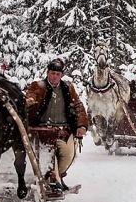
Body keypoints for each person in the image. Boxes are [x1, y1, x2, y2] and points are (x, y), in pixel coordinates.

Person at [24, 58, 89, 190]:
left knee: (68, 155)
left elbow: (78, 106)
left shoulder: (68, 88)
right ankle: (51, 179)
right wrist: (29, 102)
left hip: (63, 131)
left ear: (61, 76)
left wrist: (81, 125)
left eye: (58, 74)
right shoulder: (38, 86)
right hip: (41, 131)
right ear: (48, 73)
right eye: (52, 73)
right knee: (48, 157)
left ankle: (57, 176)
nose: (54, 76)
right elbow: (30, 96)